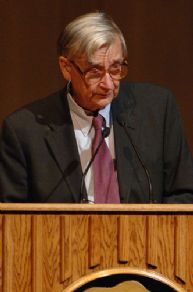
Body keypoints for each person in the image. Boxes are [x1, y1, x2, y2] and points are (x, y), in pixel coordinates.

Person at [0, 12, 193, 203]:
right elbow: (11, 220)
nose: (108, 84)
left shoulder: (157, 110)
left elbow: (184, 194)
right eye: (95, 72)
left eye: (116, 69)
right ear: (66, 68)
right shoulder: (24, 132)